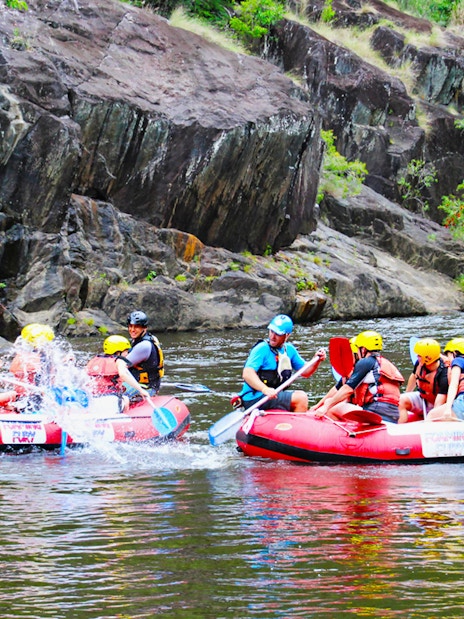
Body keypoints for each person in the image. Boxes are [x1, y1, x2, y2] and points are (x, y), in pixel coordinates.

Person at [236, 314, 326, 412]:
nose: (272, 336)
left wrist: (316, 360)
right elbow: (247, 373)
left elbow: (305, 372)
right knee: (301, 398)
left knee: (300, 395)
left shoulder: (289, 350)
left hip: (272, 397)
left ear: (287, 335)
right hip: (254, 398)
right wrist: (265, 389)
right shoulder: (262, 349)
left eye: (277, 334)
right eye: (271, 331)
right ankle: (297, 424)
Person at [311, 330, 404, 423]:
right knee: (333, 403)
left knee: (332, 408)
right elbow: (337, 389)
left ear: (363, 349)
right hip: (393, 414)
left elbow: (347, 389)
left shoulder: (365, 362)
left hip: (375, 412)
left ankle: (343, 436)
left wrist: (326, 407)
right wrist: (318, 405)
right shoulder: (382, 363)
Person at [86, 335, 151, 413]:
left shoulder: (93, 361)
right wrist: (141, 390)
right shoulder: (119, 361)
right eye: (126, 351)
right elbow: (123, 375)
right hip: (111, 401)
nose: (127, 353)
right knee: (126, 399)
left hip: (93, 400)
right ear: (118, 352)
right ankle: (124, 420)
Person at [398, 338, 448, 422]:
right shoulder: (420, 363)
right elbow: (414, 376)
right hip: (424, 399)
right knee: (400, 400)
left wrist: (433, 415)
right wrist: (407, 394)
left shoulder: (444, 373)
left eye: (419, 355)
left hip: (440, 404)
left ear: (428, 358)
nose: (417, 357)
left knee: (434, 415)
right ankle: (400, 429)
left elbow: (440, 400)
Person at [124, 310, 164, 398]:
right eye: (130, 326)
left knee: (114, 394)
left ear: (144, 328)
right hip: (149, 383)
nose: (132, 330)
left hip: (146, 388)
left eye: (136, 327)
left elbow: (121, 366)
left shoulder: (144, 346)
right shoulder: (149, 338)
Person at [427, 339, 464, 421]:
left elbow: (453, 385)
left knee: (432, 416)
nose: (447, 359)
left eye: (448, 355)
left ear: (454, 353)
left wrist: (448, 408)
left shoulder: (458, 361)